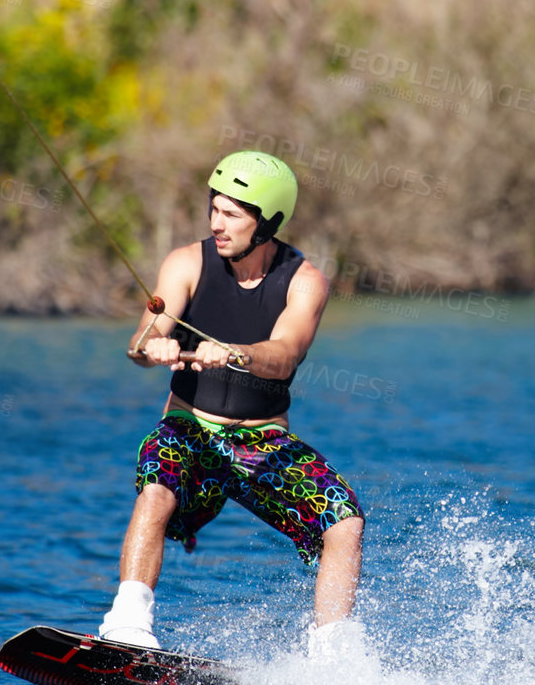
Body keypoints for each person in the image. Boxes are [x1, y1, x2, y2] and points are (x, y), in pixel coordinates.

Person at [99, 151, 366, 657]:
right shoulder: (186, 263)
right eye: (214, 210)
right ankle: (127, 625)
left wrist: (238, 354)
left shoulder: (305, 280)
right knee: (156, 491)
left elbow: (285, 355)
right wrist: (151, 344)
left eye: (233, 215)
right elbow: (144, 336)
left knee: (345, 522)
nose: (217, 225)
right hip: (189, 430)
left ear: (267, 224)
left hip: (261, 441)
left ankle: (334, 659)